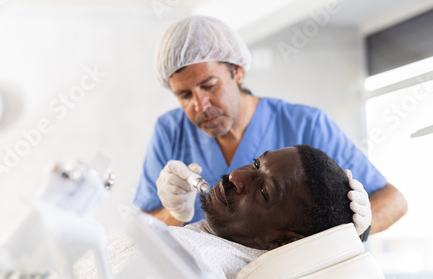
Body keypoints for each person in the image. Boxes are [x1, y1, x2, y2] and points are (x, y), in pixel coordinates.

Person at [133, 15, 407, 236]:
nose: (200, 104)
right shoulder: (170, 131)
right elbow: (140, 229)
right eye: (184, 95)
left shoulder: (306, 125)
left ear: (237, 71)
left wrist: (353, 231)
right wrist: (174, 213)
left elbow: (394, 201)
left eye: (209, 85)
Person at [169, 145, 354, 279]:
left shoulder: (191, 259)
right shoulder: (209, 244)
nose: (236, 176)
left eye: (263, 191)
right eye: (256, 164)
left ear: (286, 242)